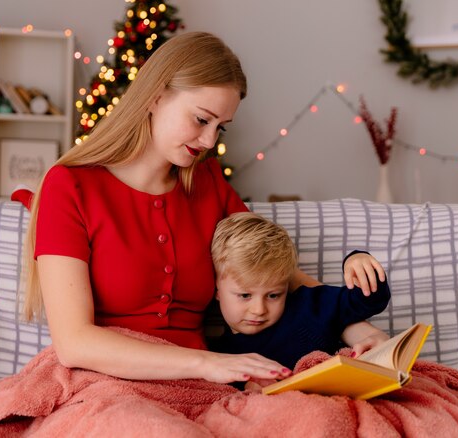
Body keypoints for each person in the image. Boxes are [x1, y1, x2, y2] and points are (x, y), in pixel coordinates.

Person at [22, 31, 388, 386]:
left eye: (220, 128)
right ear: (155, 97)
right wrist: (207, 362)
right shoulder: (69, 185)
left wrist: (359, 329)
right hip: (103, 383)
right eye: (201, 119)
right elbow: (74, 344)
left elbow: (278, 275)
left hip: (201, 386)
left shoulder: (207, 182)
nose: (209, 140)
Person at [210, 211, 391, 372]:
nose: (259, 310)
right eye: (245, 295)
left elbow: (368, 302)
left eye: (273, 295)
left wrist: (358, 262)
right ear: (216, 290)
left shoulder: (310, 305)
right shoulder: (220, 355)